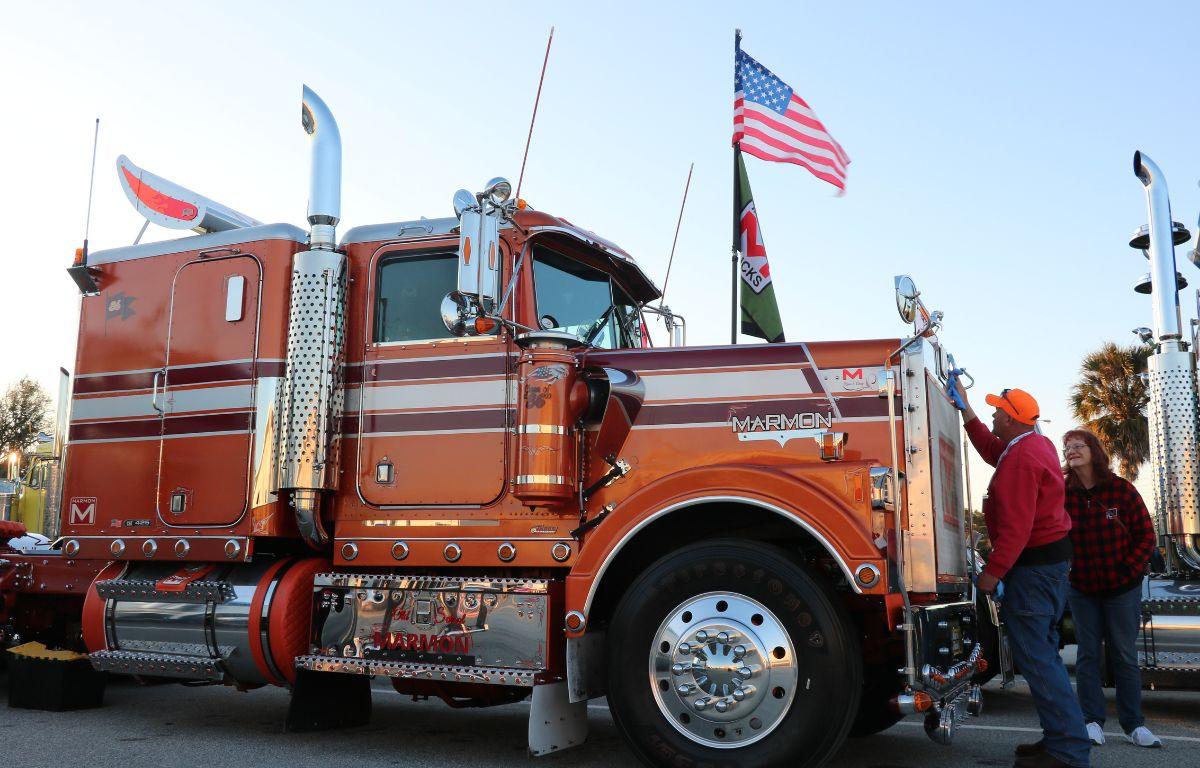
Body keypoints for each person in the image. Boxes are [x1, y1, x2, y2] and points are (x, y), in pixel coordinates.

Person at [954, 386, 1090, 768]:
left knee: (1037, 660)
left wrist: (990, 574)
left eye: (998, 412)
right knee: (1042, 656)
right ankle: (1060, 740)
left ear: (1012, 419)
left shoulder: (1021, 459)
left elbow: (1016, 530)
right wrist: (967, 412)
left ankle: (1068, 752)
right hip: (1048, 567)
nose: (994, 416)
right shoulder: (1032, 443)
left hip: (1034, 570)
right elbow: (991, 450)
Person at [1061, 430, 1162, 748]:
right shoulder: (1063, 494)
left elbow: (1147, 537)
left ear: (1095, 451)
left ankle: (1134, 725)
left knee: (1124, 656)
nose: (1071, 451)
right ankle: (1091, 721)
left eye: (1079, 446)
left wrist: (1127, 570)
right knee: (1088, 656)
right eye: (1067, 447)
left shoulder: (1121, 490)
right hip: (1082, 589)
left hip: (1122, 590)